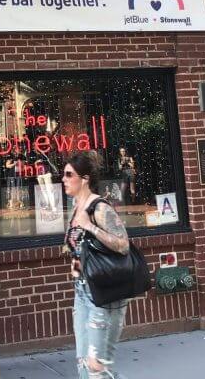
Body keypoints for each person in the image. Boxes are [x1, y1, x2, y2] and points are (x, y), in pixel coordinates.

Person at [63, 151, 129, 379]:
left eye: (68, 175)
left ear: (84, 179)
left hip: (104, 296)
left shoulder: (100, 208)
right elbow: (77, 250)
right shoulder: (75, 207)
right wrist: (76, 277)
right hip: (82, 293)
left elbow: (123, 245)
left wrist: (90, 227)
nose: (63, 179)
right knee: (83, 364)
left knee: (96, 367)